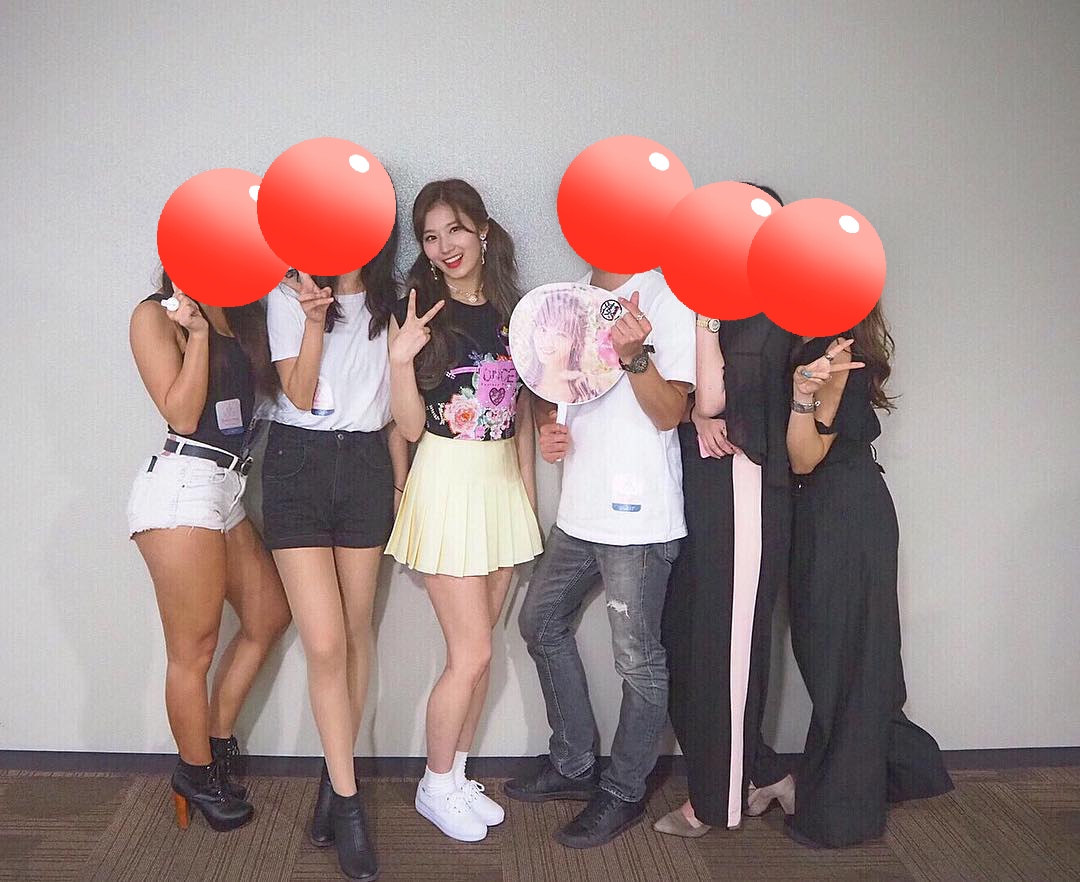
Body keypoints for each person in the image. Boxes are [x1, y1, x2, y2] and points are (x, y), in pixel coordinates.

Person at [506, 266, 695, 849]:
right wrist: (550, 429)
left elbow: (671, 413)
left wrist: (635, 356)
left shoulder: (669, 294)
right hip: (579, 509)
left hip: (639, 517)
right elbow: (564, 394)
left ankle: (624, 789)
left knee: (637, 659)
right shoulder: (573, 294)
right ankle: (573, 762)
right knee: (539, 622)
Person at [385, 179, 543, 843]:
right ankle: (435, 783)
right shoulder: (418, 310)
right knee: (470, 653)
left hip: (501, 484)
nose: (444, 246)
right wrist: (400, 360)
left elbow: (524, 413)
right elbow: (409, 427)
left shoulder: (514, 309)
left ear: (482, 230)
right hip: (447, 481)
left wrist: (528, 496)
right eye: (430, 236)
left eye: (454, 229)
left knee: (485, 651)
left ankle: (456, 777)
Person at [261, 227, 406, 881]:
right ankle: (349, 808)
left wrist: (399, 483)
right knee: (323, 644)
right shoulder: (288, 292)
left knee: (353, 631)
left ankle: (333, 774)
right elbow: (296, 392)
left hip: (367, 463)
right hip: (298, 464)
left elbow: (396, 411)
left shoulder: (391, 300)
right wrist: (315, 318)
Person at [656, 183, 799, 837]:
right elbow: (694, 398)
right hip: (701, 494)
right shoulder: (707, 299)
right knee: (687, 639)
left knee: (729, 649)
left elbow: (720, 400)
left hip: (746, 491)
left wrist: (704, 402)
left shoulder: (776, 310)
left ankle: (717, 803)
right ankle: (762, 771)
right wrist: (693, 411)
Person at [127, 273, 291, 832]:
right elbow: (180, 413)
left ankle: (214, 741)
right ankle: (195, 774)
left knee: (269, 615)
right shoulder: (157, 313)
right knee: (192, 651)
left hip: (227, 486)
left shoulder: (244, 309)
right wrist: (196, 335)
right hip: (181, 486)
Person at [784, 309, 953, 847]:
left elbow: (804, 458)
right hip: (840, 513)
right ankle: (897, 771)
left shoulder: (836, 355)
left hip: (842, 517)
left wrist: (802, 395)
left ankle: (843, 815)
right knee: (852, 656)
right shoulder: (817, 344)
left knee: (846, 661)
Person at [523, 290, 600, 404]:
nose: (548, 341)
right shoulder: (525, 380)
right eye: (543, 329)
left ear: (575, 342)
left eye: (560, 334)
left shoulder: (586, 388)